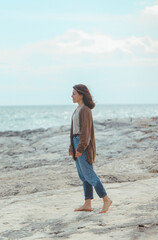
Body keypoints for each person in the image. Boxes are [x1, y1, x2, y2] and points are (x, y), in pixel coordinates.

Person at [69, 84, 112, 213]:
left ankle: (106, 199)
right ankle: (87, 204)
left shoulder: (85, 110)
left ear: (81, 95)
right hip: (76, 142)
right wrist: (72, 146)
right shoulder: (77, 109)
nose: (72, 96)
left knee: (89, 174)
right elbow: (74, 130)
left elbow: (85, 132)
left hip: (83, 144)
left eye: (74, 94)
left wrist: (80, 148)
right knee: (83, 176)